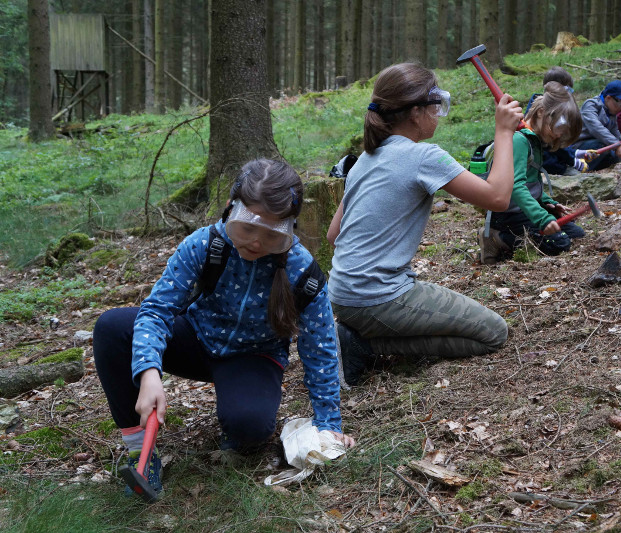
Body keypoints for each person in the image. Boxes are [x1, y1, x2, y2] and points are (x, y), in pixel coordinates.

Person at [94, 159, 354, 497]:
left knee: (251, 428)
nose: (256, 243)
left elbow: (320, 349)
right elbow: (157, 310)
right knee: (112, 327)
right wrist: (148, 371)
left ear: (289, 229)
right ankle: (140, 453)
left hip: (254, 355)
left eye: (272, 234)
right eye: (246, 227)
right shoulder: (204, 245)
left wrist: (329, 426)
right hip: (196, 338)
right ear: (230, 209)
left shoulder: (301, 271)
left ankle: (238, 420)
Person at [325, 62, 523, 386]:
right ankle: (360, 345)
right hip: (378, 298)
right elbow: (498, 197)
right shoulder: (424, 157)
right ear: (416, 113)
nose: (438, 114)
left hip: (343, 295)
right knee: (493, 333)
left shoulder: (364, 159)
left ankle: (354, 337)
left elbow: (335, 235)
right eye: (436, 105)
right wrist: (503, 132)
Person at [480, 81, 585, 264]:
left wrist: (547, 202)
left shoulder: (533, 139)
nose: (560, 134)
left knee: (576, 233)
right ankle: (497, 237)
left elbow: (530, 181)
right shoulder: (519, 140)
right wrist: (542, 218)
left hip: (523, 209)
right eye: (560, 126)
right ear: (541, 113)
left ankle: (518, 232)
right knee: (559, 243)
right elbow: (515, 186)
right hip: (508, 215)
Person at [525, 67, 581, 176]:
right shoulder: (525, 138)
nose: (569, 94)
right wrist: (567, 164)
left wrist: (576, 154)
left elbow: (558, 144)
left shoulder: (548, 113)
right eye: (567, 90)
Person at [572, 80, 621, 171]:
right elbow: (597, 129)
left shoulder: (611, 114)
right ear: (608, 98)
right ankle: (579, 169)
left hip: (598, 145)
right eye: (620, 103)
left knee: (615, 156)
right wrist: (616, 145)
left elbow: (617, 135)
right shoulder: (591, 105)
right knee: (603, 146)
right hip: (579, 146)